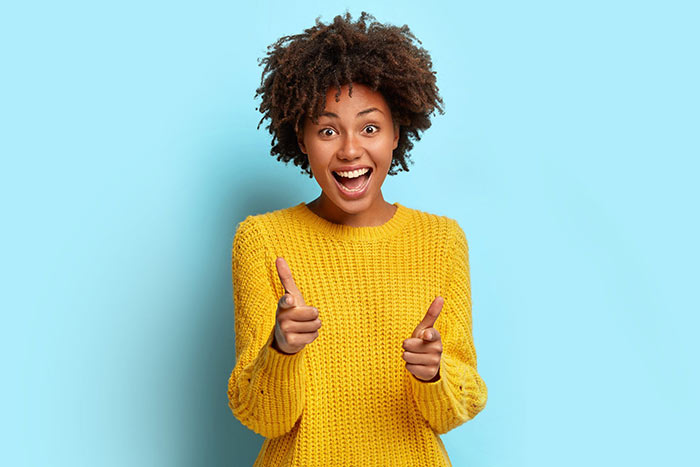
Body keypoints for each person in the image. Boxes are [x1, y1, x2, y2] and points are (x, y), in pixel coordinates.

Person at [227, 11, 488, 467]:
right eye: (328, 130)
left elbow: (457, 408)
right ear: (302, 139)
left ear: (395, 136)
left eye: (370, 127)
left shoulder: (441, 240)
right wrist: (281, 349)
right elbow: (264, 418)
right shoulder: (261, 240)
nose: (350, 150)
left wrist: (433, 376)